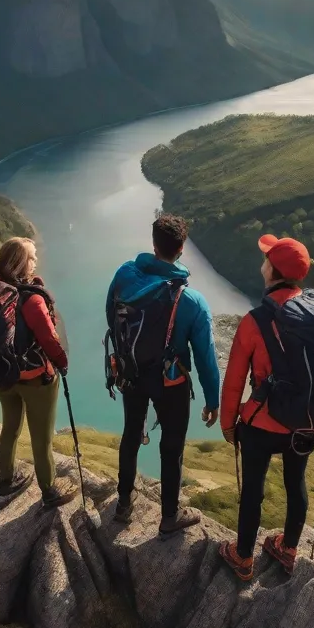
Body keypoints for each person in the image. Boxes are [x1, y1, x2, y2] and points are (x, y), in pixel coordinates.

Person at [218, 235, 314, 581]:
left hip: (262, 423)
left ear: (273, 271)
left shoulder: (255, 321)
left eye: (266, 259)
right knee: (297, 482)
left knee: (253, 489)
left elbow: (234, 380)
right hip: (307, 422)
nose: (262, 263)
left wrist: (228, 423)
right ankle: (288, 549)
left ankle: (243, 557)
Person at [106, 214, 220, 538]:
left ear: (153, 244)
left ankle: (123, 504)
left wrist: (124, 356)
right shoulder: (191, 300)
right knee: (171, 446)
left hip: (132, 373)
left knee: (131, 434)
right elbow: (206, 358)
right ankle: (170, 515)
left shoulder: (124, 276)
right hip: (172, 382)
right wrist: (213, 399)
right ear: (181, 249)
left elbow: (111, 318)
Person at [0, 237, 78, 508]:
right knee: (42, 438)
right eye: (32, 257)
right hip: (35, 380)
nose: (36, 261)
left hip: (2, 377)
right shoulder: (31, 299)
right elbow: (49, 340)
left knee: (9, 427)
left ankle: (6, 480)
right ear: (23, 263)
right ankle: (49, 491)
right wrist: (62, 363)